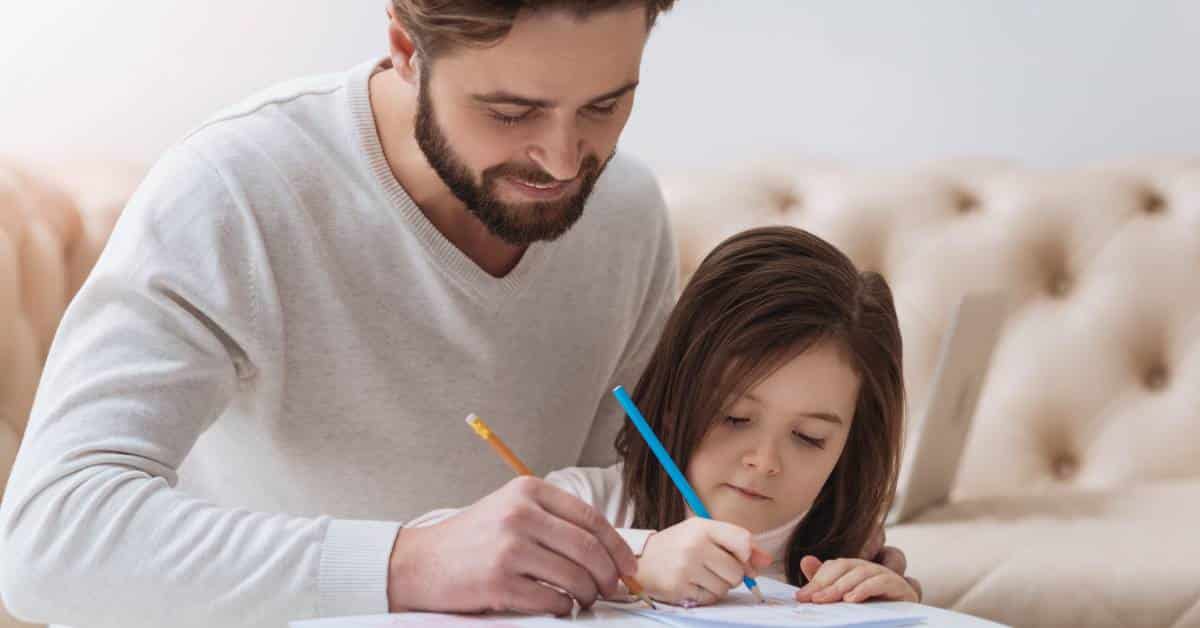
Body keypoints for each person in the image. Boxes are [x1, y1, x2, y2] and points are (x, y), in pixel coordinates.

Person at [0, 3, 910, 626]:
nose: (562, 160)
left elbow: (637, 501)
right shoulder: (238, 192)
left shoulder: (622, 209)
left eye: (606, 104)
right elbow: (48, 539)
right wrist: (410, 562)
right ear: (404, 43)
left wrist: (820, 570)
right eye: (510, 110)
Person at [410, 226, 921, 607]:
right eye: (735, 418)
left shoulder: (846, 554)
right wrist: (632, 559)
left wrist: (901, 611)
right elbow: (428, 552)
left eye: (809, 438)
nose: (764, 461)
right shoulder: (591, 506)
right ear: (677, 395)